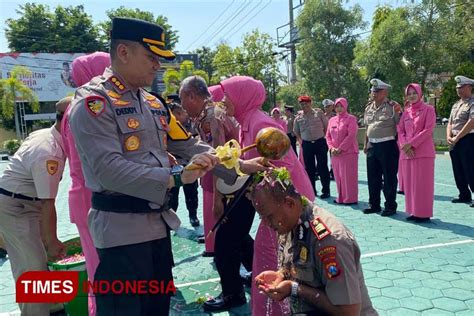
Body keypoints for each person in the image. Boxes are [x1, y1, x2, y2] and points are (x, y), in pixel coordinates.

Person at [68, 18, 222, 315]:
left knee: (156, 309)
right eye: (151, 57)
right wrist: (177, 176)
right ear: (123, 52)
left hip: (157, 230)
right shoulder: (94, 102)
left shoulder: (153, 103)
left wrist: (238, 162)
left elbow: (187, 146)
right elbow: (108, 170)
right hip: (120, 235)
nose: (157, 66)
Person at [216, 76, 315, 315]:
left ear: (242, 97)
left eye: (228, 94)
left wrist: (241, 168)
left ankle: (276, 310)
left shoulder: (261, 125)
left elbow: (280, 169)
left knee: (273, 259)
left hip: (285, 205)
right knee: (272, 258)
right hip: (275, 204)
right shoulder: (247, 122)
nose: (223, 100)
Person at [251, 168, 378, 316]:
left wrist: (294, 288)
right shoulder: (289, 223)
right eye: (262, 218)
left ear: (290, 203)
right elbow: (298, 266)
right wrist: (281, 275)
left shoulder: (328, 241)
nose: (267, 224)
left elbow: (349, 312)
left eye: (269, 216)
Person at [0, 97, 69, 316]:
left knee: (38, 261)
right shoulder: (49, 152)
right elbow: (47, 203)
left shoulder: (46, 134)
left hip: (23, 201)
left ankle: (52, 306)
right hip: (16, 205)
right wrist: (52, 241)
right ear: (69, 122)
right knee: (33, 267)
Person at [62, 51, 111, 316]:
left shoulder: (74, 105)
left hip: (84, 193)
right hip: (92, 195)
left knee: (98, 267)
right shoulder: (90, 105)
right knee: (101, 269)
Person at [179, 78, 240, 258]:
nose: (181, 106)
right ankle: (213, 243)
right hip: (216, 174)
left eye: (182, 99)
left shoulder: (212, 117)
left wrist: (217, 198)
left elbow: (218, 158)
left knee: (223, 220)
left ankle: (218, 247)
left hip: (223, 177)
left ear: (192, 97)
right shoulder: (206, 114)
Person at [397, 83, 436, 222]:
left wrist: (411, 144)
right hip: (407, 154)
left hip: (423, 152)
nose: (412, 96)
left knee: (423, 184)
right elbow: (400, 130)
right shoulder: (406, 112)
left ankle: (423, 213)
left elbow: (428, 129)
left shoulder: (428, 109)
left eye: (414, 93)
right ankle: (413, 211)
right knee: (410, 184)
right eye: (409, 93)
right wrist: (404, 145)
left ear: (420, 94)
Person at [363, 79, 401, 216]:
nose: (374, 93)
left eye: (377, 91)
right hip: (372, 145)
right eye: (373, 90)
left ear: (384, 92)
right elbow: (368, 127)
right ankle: (374, 204)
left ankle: (390, 206)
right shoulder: (368, 107)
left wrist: (400, 110)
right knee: (373, 177)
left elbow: (400, 123)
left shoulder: (392, 106)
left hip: (387, 145)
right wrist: (366, 143)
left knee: (389, 177)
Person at [167, 100, 200, 227]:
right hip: (173, 166)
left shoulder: (192, 124)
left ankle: (193, 215)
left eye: (177, 115)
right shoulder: (168, 126)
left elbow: (195, 143)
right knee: (172, 194)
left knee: (191, 192)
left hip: (189, 164)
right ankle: (171, 217)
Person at [294, 95, 330, 198]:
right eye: (302, 104)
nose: (304, 106)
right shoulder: (298, 118)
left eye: (306, 103)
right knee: (309, 169)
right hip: (307, 144)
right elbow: (296, 132)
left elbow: (326, 127)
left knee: (322, 167)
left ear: (310, 103)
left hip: (320, 143)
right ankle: (312, 190)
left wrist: (323, 137)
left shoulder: (318, 113)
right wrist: (301, 141)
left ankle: (326, 190)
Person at [447, 75, 474, 207]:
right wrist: (449, 136)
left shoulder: (472, 103)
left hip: (467, 139)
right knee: (457, 169)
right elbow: (450, 122)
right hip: (454, 140)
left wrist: (457, 137)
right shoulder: (456, 104)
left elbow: (471, 122)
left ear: (469, 87)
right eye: (458, 88)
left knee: (470, 168)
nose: (459, 90)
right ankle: (464, 194)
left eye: (462, 87)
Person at [326, 98, 359, 205]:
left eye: (341, 106)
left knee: (348, 176)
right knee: (338, 176)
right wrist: (331, 148)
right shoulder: (332, 120)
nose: (339, 109)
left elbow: (351, 135)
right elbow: (328, 136)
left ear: (345, 106)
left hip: (348, 152)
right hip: (335, 153)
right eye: (337, 106)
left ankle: (350, 199)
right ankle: (340, 197)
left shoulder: (351, 119)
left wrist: (340, 148)